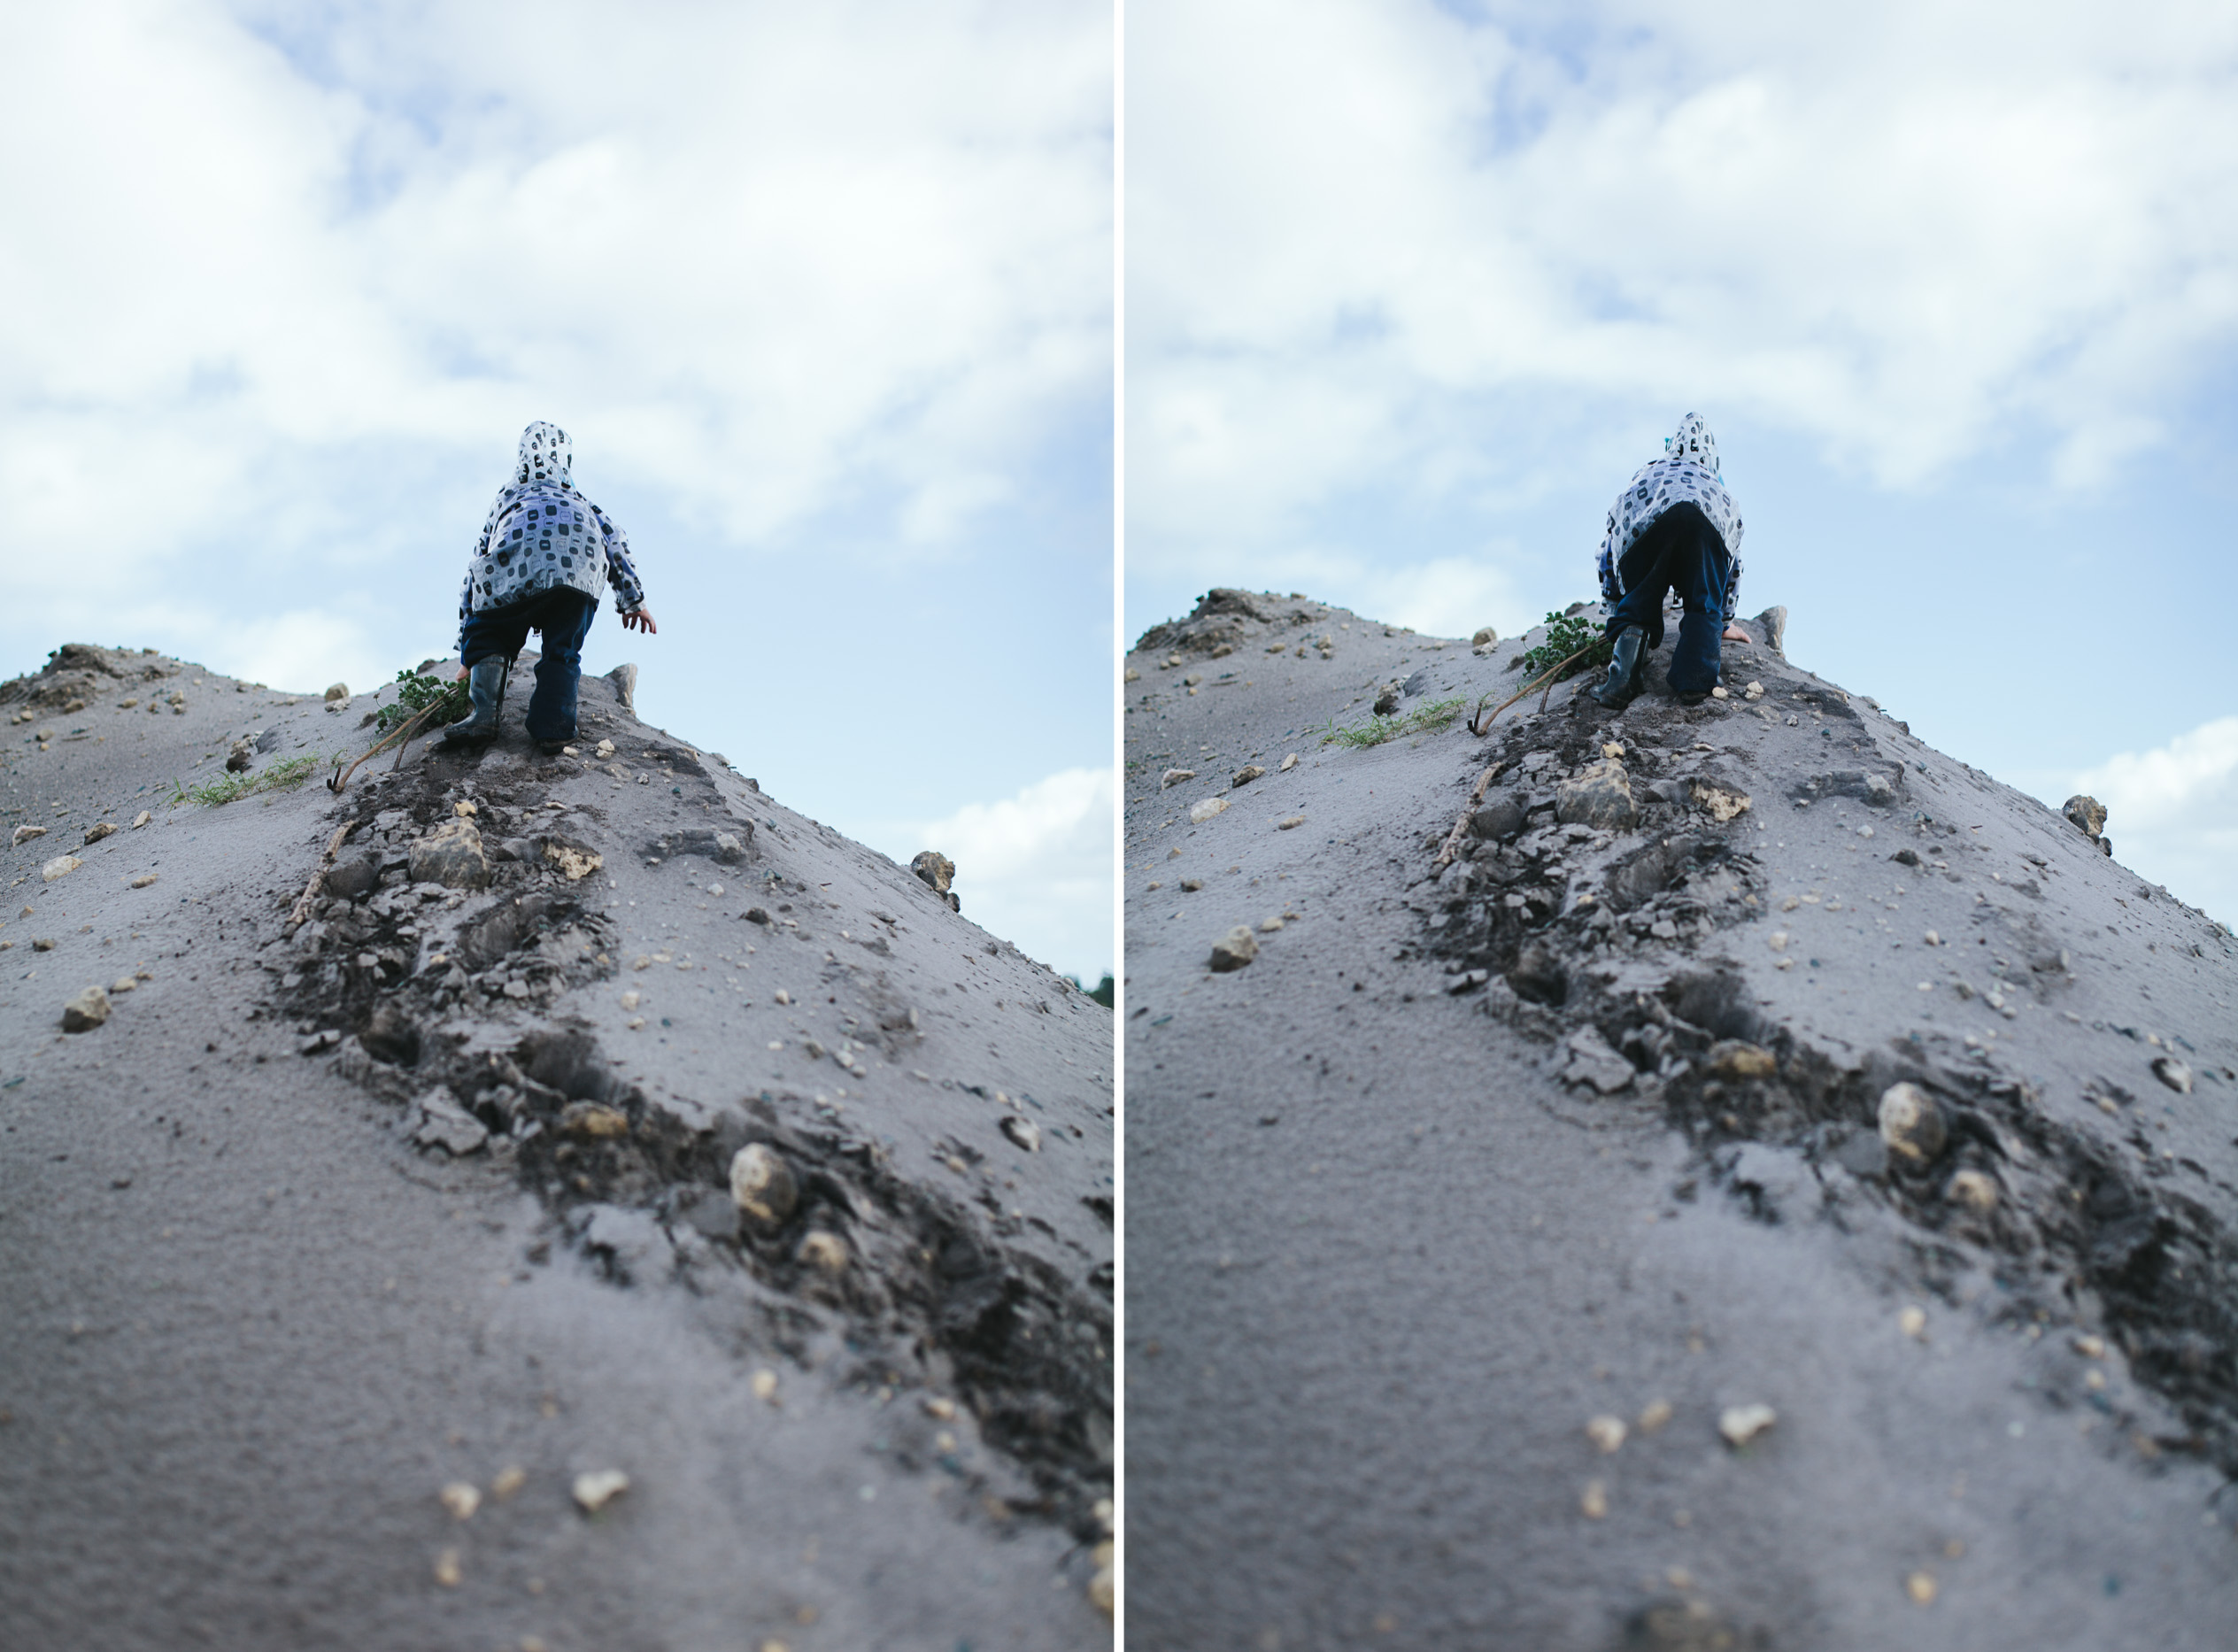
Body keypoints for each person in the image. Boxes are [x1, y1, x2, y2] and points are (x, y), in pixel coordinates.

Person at [437, 421, 657, 753]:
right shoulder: (579, 499)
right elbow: (615, 540)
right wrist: (633, 600)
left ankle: (484, 716)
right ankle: (554, 728)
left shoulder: (511, 494)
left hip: (519, 561)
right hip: (581, 570)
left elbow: (477, 563)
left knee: (492, 630)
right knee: (562, 651)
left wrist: (470, 647)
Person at [1589, 412, 1748, 709]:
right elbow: (1732, 569)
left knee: (1639, 600)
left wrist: (1614, 604)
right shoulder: (1720, 491)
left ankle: (1621, 681)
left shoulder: (1648, 474)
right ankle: (1695, 679)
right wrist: (1724, 620)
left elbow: (1609, 544)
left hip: (1649, 522)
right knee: (1704, 602)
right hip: (1708, 525)